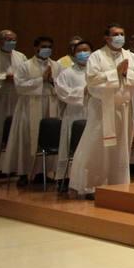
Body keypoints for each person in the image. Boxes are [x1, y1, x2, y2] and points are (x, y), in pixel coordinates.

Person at [69, 24, 134, 199]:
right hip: (102, 109)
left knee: (120, 149)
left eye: (122, 34)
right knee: (97, 146)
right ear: (106, 38)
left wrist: (125, 75)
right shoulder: (97, 56)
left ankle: (117, 184)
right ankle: (92, 186)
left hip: (124, 109)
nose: (119, 37)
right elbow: (92, 81)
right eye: (115, 34)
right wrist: (115, 73)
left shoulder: (130, 56)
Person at [0, 36, 61, 182]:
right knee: (27, 138)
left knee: (47, 138)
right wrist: (41, 80)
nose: (47, 49)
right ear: (36, 47)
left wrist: (52, 80)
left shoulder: (57, 66)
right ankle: (23, 173)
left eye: (50, 47)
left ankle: (42, 173)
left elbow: (62, 85)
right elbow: (19, 86)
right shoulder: (25, 65)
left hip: (50, 104)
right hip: (29, 106)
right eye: (44, 46)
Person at [53, 40, 90, 191]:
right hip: (74, 113)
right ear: (74, 54)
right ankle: (65, 178)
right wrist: (83, 92)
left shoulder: (94, 72)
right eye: (79, 51)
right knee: (70, 144)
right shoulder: (67, 73)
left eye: (86, 50)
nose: (83, 54)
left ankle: (86, 179)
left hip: (92, 113)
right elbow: (62, 93)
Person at [0, 30, 24, 172]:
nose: (11, 42)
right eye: (8, 39)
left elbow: (25, 75)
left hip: (16, 98)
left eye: (14, 39)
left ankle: (11, 168)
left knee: (14, 131)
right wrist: (3, 77)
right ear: (0, 41)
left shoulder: (21, 56)